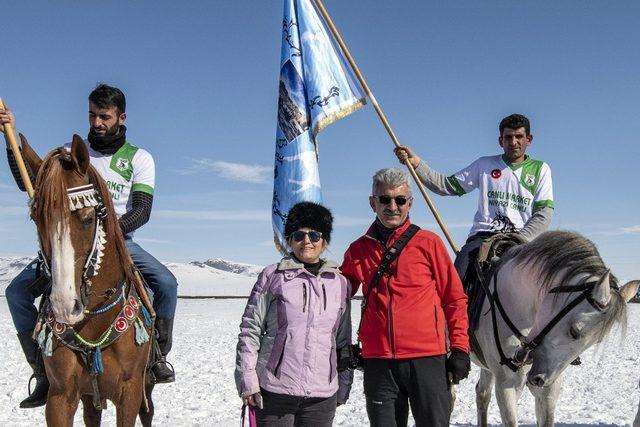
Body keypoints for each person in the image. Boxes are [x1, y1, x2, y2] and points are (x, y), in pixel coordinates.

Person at [0, 84, 178, 409]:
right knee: (16, 292)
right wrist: (10, 139)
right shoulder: (70, 153)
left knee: (167, 283)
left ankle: (156, 359)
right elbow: (31, 179)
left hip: (120, 243)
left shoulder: (139, 158)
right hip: (71, 243)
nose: (97, 123)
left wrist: (107, 234)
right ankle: (42, 371)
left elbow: (141, 210)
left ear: (121, 117)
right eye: (93, 115)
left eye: (105, 116)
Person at [340, 168, 470, 427]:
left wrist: (459, 349)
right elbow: (335, 295)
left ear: (410, 203)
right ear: (372, 202)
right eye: (384, 199)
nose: (392, 206)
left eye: (400, 200)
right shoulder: (358, 249)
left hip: (427, 360)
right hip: (379, 362)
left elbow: (453, 299)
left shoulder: (429, 243)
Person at [395, 113, 554, 280]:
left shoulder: (541, 169)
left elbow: (544, 213)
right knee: (457, 279)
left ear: (529, 139)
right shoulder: (484, 165)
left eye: (519, 136)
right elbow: (446, 186)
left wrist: (519, 239)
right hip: (483, 237)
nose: (514, 142)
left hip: (521, 239)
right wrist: (417, 164)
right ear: (501, 140)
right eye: (508, 137)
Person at [235, 202, 353, 427]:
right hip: (275, 392)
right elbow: (250, 330)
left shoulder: (340, 283)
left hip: (322, 396)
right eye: (299, 235)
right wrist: (247, 379)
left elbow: (342, 340)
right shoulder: (272, 276)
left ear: (324, 241)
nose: (307, 240)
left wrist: (344, 383)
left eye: (315, 235)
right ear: (289, 240)